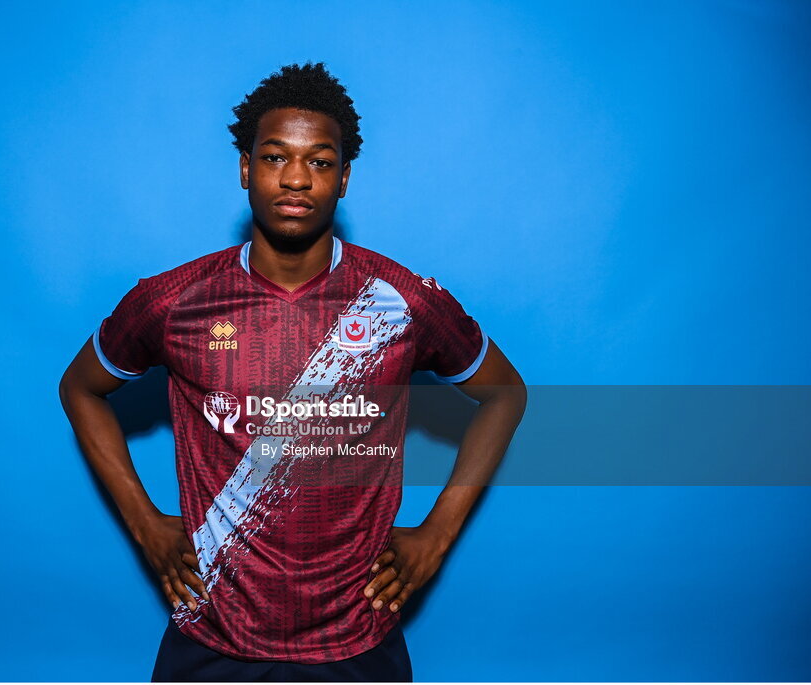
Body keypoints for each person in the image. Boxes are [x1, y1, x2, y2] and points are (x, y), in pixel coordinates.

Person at [58, 61, 527, 682]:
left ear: (345, 179)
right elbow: (80, 387)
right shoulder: (173, 301)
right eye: (277, 157)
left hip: (356, 637)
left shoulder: (399, 302)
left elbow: (505, 394)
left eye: (321, 161)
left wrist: (436, 536)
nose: (298, 178)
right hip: (212, 631)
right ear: (246, 169)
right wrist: (146, 525)